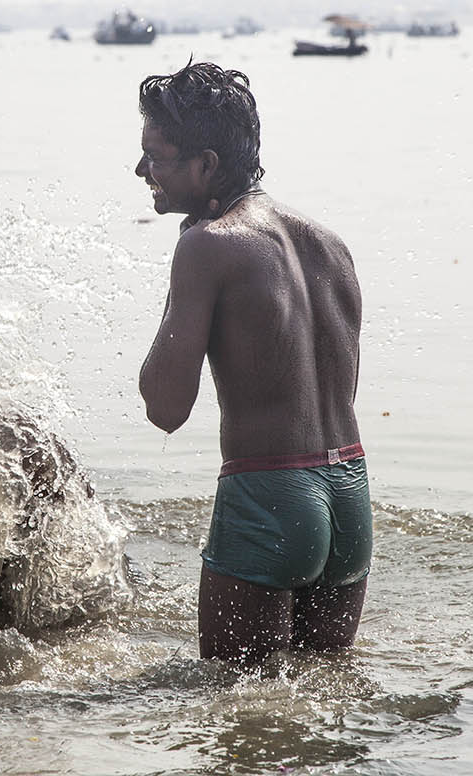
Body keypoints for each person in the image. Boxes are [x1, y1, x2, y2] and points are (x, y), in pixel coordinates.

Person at [134, 60, 371, 665]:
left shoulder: (208, 245)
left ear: (206, 164)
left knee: (239, 723)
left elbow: (165, 407)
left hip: (271, 492)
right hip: (348, 493)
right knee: (324, 708)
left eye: (156, 157)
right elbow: (342, 386)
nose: (142, 171)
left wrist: (184, 279)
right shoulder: (330, 244)